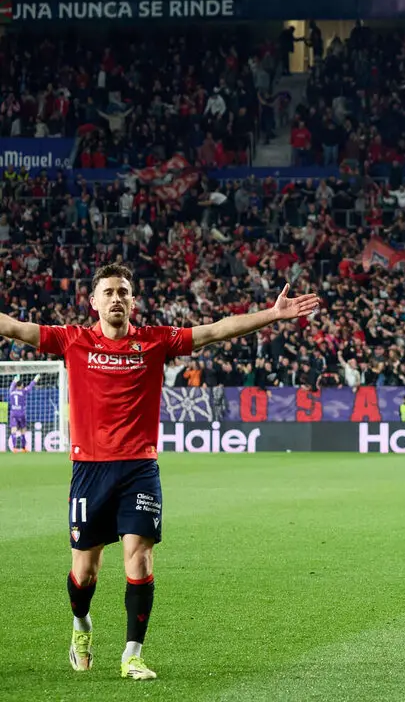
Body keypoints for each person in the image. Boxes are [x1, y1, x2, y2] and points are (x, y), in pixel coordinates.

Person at [0, 263, 319, 681]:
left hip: (139, 468)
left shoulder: (154, 341)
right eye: (109, 292)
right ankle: (81, 627)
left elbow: (215, 330)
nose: (116, 298)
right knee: (85, 572)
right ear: (93, 302)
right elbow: (16, 328)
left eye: (124, 292)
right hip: (89, 471)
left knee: (140, 557)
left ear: (133, 301)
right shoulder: (72, 341)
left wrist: (272, 315)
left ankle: (132, 655)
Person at [8, 373, 38, 452]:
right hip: (21, 413)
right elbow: (30, 386)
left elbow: (12, 384)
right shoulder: (23, 391)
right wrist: (35, 379)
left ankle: (14, 448)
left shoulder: (11, 390)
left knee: (13, 430)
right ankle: (24, 448)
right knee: (23, 431)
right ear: (21, 385)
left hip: (13, 413)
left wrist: (15, 379)